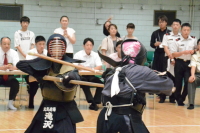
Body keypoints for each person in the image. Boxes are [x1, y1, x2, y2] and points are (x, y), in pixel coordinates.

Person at [97, 39, 173, 133]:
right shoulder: (141, 71)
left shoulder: (115, 70)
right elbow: (168, 87)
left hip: (105, 118)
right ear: (141, 56)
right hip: (127, 119)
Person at [16, 34, 84, 133]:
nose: (56, 51)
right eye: (54, 48)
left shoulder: (70, 66)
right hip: (48, 105)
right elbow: (20, 65)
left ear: (64, 49)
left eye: (59, 48)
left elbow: (77, 77)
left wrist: (72, 78)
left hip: (65, 107)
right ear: (49, 49)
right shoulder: (44, 66)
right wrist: (39, 70)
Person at [171, 23, 197, 106]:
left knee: (187, 82)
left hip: (189, 63)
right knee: (178, 82)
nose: (186, 32)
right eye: (184, 30)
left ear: (190, 31)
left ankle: (182, 97)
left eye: (188, 30)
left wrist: (194, 51)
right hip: (179, 62)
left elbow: (196, 49)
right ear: (181, 30)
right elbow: (174, 54)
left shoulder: (193, 39)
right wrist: (183, 52)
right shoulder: (177, 40)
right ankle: (178, 98)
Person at [74, 38, 103, 111]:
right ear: (83, 46)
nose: (89, 47)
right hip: (82, 76)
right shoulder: (78, 54)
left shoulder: (95, 55)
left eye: (90, 45)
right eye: (87, 45)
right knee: (84, 82)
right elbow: (76, 66)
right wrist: (82, 67)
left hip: (91, 75)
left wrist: (90, 69)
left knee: (101, 84)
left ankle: (95, 102)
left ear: (92, 46)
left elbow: (99, 66)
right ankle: (92, 102)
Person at [160, 19, 182, 103]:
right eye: (174, 24)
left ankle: (172, 98)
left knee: (175, 79)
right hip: (167, 59)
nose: (175, 26)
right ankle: (162, 97)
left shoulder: (182, 36)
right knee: (165, 78)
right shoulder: (167, 35)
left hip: (178, 60)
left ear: (180, 26)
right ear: (171, 26)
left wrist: (175, 58)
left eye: (177, 24)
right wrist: (171, 57)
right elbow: (165, 47)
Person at [25, 35, 47, 109]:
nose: (42, 46)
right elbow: (29, 65)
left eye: (43, 44)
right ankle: (31, 103)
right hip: (32, 75)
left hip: (43, 75)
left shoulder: (47, 53)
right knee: (33, 85)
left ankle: (46, 103)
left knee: (46, 84)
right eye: (40, 44)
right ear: (36, 44)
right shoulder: (30, 53)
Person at [0, 37, 19, 110]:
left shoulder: (14, 53)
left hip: (9, 75)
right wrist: (2, 68)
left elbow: (17, 65)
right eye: (4, 44)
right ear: (0, 44)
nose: (7, 46)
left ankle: (10, 103)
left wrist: (12, 67)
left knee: (15, 83)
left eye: (8, 44)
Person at [187, 39, 200, 109]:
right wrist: (192, 75)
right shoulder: (194, 56)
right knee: (191, 81)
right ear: (198, 46)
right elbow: (193, 66)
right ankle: (191, 104)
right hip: (198, 75)